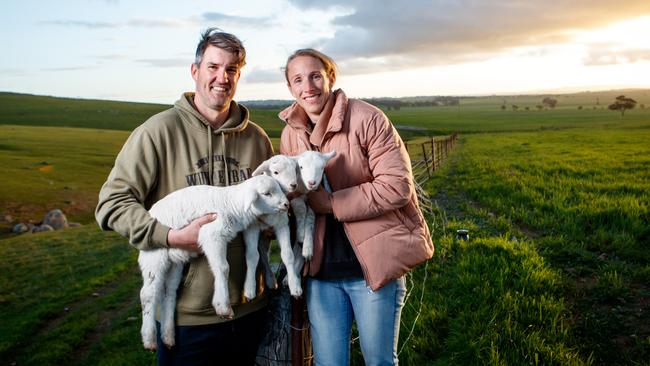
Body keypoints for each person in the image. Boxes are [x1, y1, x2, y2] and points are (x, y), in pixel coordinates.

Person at [95, 28, 273, 365]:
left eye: (232, 69)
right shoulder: (157, 132)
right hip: (186, 317)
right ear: (195, 71)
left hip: (250, 309)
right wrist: (170, 236)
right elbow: (112, 204)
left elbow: (266, 207)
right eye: (213, 67)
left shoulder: (256, 139)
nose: (222, 78)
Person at [279, 49, 434, 365]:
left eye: (315, 76)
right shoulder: (289, 135)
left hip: (373, 269)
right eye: (298, 79)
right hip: (321, 274)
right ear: (291, 88)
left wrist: (332, 204)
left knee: (378, 361)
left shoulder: (368, 118)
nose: (307, 86)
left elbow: (397, 187)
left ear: (330, 78)